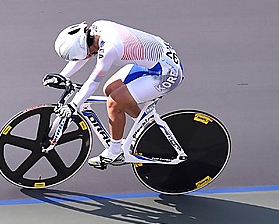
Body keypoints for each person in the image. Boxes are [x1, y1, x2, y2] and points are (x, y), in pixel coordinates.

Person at [44, 20, 184, 168]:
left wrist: (73, 105)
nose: (88, 56)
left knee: (114, 102)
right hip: (155, 60)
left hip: (167, 73)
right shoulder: (96, 29)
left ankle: (115, 151)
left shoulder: (110, 48)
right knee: (110, 89)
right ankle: (146, 127)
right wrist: (62, 76)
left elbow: (92, 82)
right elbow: (84, 55)